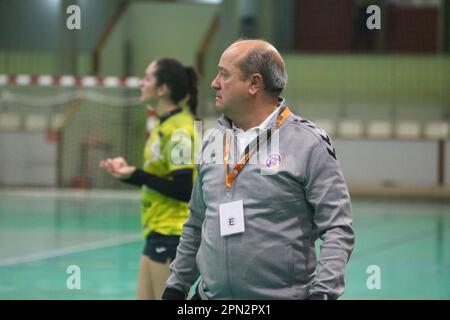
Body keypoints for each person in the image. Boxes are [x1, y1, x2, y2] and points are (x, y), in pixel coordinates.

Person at [162, 39, 355, 300]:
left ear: (254, 84)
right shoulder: (213, 140)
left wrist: (322, 294)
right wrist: (177, 285)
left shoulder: (309, 143)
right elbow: (197, 223)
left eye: (224, 74)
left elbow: (337, 229)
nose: (214, 83)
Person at [100, 58, 198, 300]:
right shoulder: (162, 125)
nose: (141, 83)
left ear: (162, 89)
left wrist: (139, 175)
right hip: (156, 231)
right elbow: (160, 178)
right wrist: (130, 174)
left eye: (147, 78)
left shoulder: (179, 132)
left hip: (173, 233)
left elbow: (185, 189)